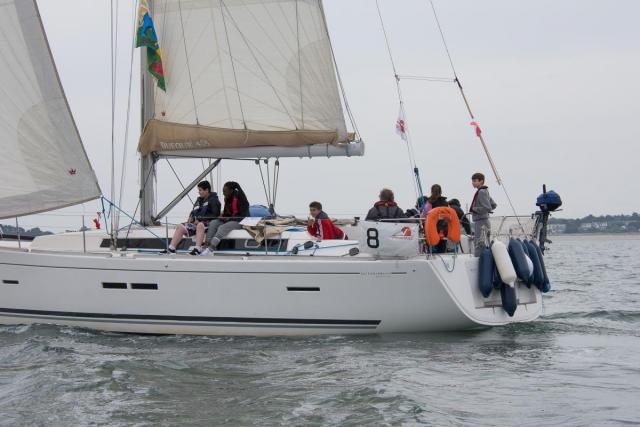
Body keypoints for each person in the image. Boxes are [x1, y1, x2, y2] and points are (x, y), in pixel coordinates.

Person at [162, 181, 220, 254]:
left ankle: (197, 249)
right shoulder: (199, 200)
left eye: (200, 190)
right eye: (199, 190)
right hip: (196, 223)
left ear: (207, 190)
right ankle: (171, 248)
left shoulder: (214, 200)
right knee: (180, 226)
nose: (199, 192)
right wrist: (191, 217)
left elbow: (215, 215)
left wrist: (199, 220)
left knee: (200, 225)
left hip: (208, 225)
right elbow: (193, 211)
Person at [200, 181, 250, 256]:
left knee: (222, 228)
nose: (223, 193)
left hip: (240, 221)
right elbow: (227, 212)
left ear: (231, 190)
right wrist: (223, 216)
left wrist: (228, 219)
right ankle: (205, 246)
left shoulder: (241, 198)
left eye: (225, 191)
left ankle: (210, 249)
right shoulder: (227, 198)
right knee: (213, 223)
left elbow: (242, 216)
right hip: (229, 219)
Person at [469, 172, 497, 256]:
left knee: (479, 243)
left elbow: (487, 208)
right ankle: (485, 259)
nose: (473, 183)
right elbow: (493, 205)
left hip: (481, 222)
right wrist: (485, 211)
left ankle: (479, 260)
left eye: (475, 181)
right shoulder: (485, 191)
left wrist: (474, 209)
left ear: (481, 181)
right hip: (484, 220)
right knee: (484, 243)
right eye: (472, 181)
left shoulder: (481, 192)